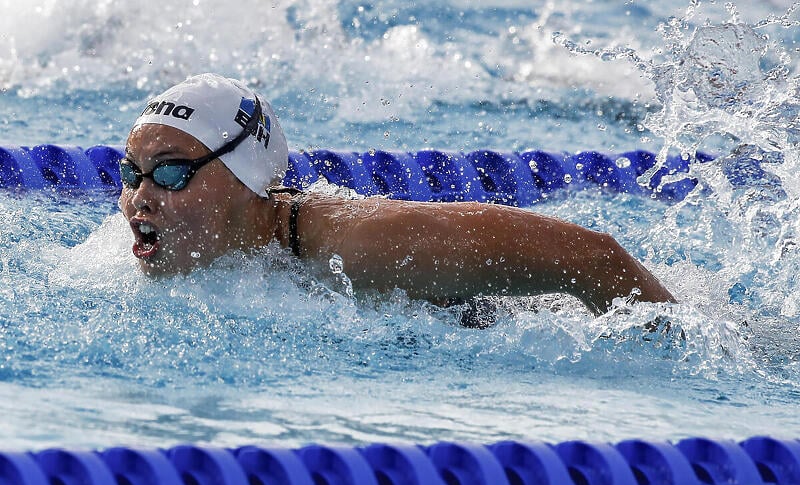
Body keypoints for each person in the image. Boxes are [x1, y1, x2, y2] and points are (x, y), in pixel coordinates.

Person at [119, 73, 676, 317]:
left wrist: (667, 349)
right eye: (131, 173)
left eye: (170, 174)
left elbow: (593, 258)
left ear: (249, 178)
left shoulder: (362, 244)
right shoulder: (180, 251)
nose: (140, 199)